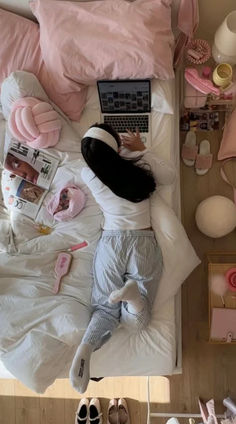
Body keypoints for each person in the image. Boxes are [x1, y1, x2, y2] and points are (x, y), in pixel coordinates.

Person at [69, 123, 176, 393]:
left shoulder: (88, 173)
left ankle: (87, 345)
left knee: (105, 309)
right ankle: (133, 297)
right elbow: (169, 176)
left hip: (111, 244)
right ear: (117, 147)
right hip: (142, 241)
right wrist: (141, 149)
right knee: (138, 323)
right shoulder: (136, 165)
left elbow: (91, 161)